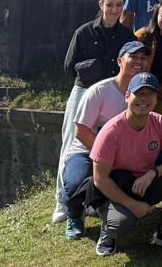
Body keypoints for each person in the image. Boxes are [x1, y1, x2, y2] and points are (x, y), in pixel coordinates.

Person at [54, 0, 133, 223]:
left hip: (113, 91)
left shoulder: (126, 35)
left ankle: (91, 198)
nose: (114, 9)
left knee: (109, 143)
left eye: (119, 5)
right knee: (71, 142)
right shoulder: (84, 32)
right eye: (110, 4)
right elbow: (70, 66)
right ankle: (62, 199)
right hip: (84, 91)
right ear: (101, 5)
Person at [90, 72, 162, 257]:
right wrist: (132, 205)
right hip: (115, 188)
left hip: (144, 184)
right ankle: (107, 228)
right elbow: (100, 180)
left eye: (149, 94)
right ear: (127, 96)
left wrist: (153, 173)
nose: (144, 99)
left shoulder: (160, 122)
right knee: (121, 225)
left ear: (155, 98)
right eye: (139, 93)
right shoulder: (111, 131)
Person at [60, 39, 150, 239]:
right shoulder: (99, 91)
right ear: (119, 61)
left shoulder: (145, 92)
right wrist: (106, 157)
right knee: (75, 182)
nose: (139, 61)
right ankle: (74, 214)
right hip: (86, 151)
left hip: (123, 154)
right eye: (133, 57)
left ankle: (107, 208)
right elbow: (81, 131)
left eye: (143, 58)